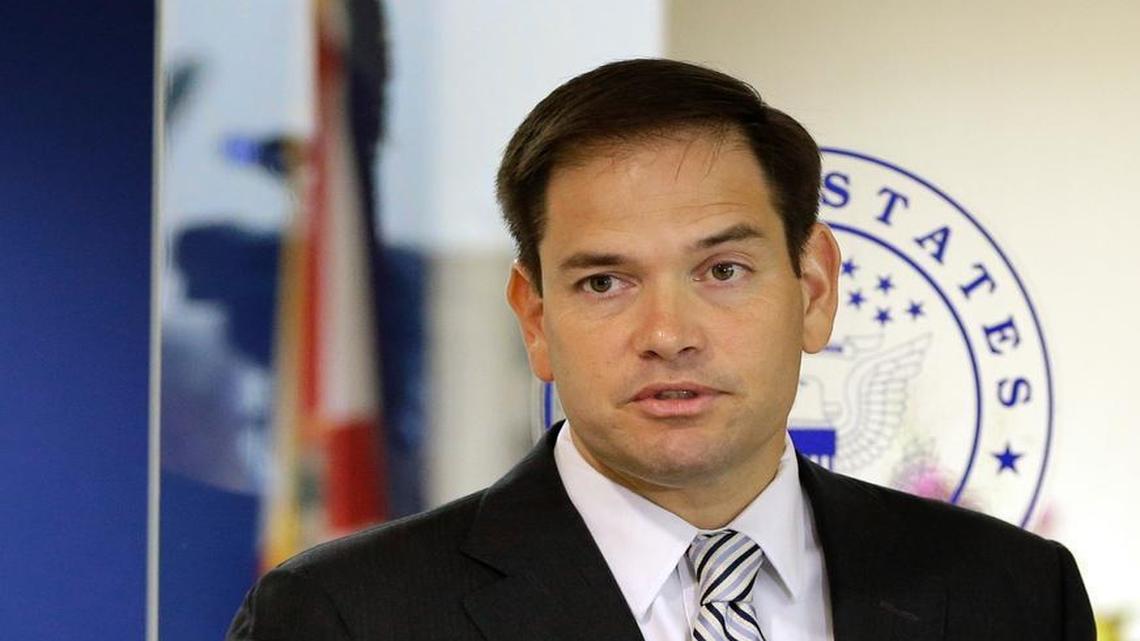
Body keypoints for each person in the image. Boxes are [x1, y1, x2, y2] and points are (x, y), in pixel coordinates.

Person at [227, 58, 1095, 641]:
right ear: (534, 316)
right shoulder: (346, 617)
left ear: (815, 290)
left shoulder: (1012, 595)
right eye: (605, 282)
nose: (668, 334)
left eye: (722, 269)